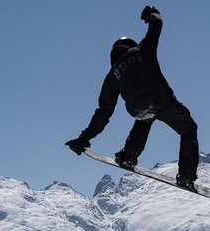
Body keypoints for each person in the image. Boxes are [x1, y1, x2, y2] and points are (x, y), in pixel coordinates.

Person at [66, 5, 199, 189]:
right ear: (130, 45)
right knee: (189, 129)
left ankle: (128, 157)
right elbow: (157, 24)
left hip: (137, 108)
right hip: (163, 100)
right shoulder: (142, 49)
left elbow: (103, 113)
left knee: (145, 118)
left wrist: (83, 139)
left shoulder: (112, 75)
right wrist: (151, 13)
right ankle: (185, 177)